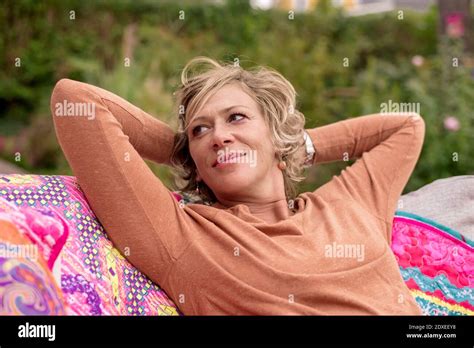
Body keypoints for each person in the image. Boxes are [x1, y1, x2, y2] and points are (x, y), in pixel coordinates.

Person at [50, 56, 425, 315]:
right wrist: (188, 153)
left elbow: (407, 128)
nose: (219, 136)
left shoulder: (350, 203)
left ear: (275, 132)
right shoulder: (186, 238)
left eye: (237, 118)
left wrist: (293, 144)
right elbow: (77, 102)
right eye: (201, 129)